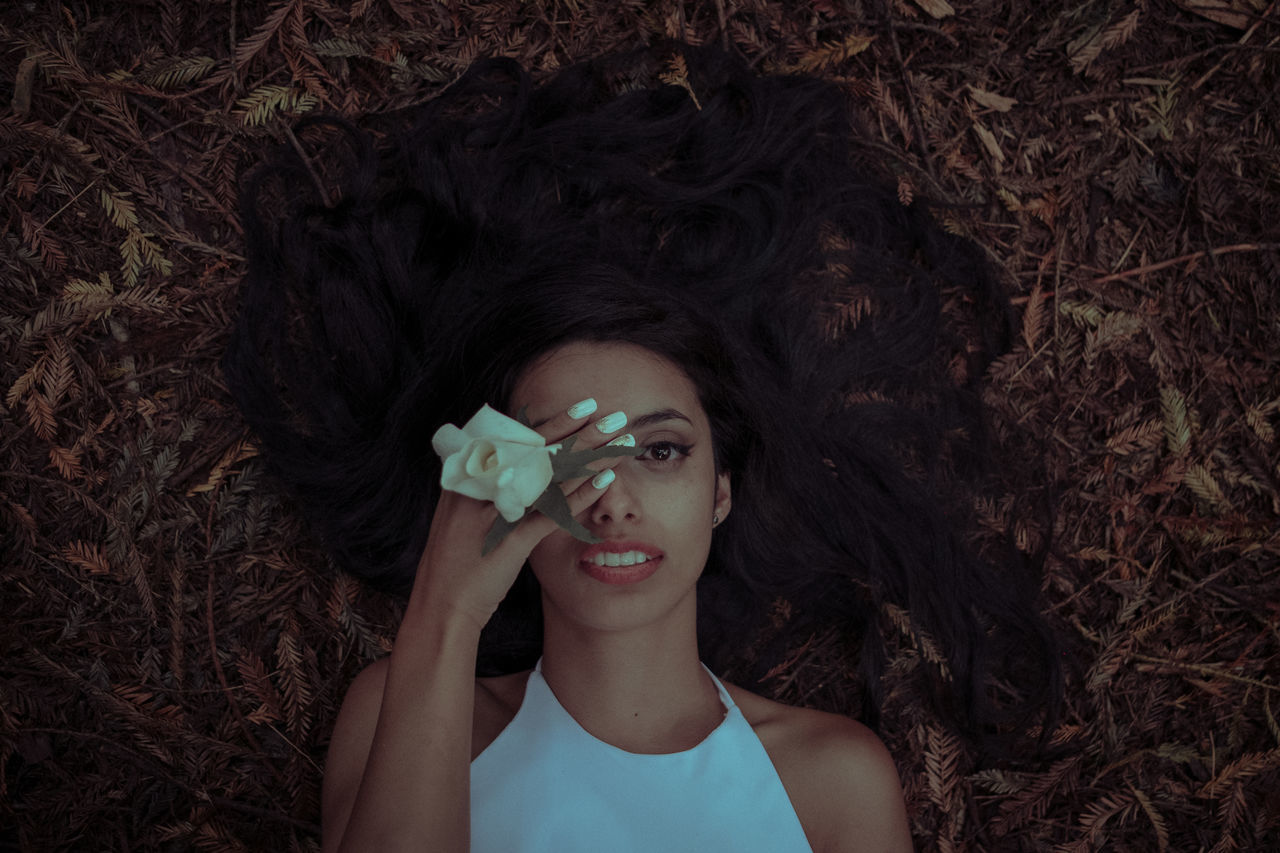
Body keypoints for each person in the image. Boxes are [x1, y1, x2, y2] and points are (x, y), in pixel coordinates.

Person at [224, 42, 1058, 852]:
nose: (613, 498)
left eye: (660, 452)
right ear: (503, 487)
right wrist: (448, 607)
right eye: (565, 456)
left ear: (721, 489)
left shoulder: (833, 783)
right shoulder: (404, 710)